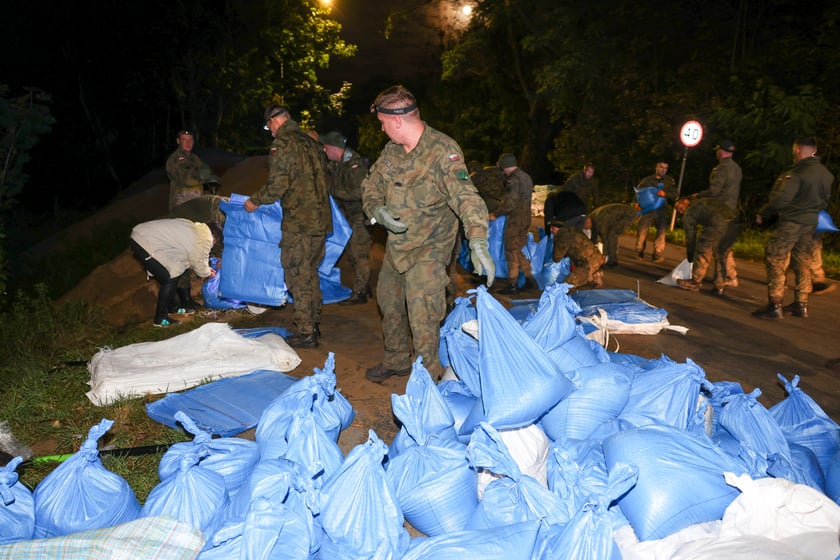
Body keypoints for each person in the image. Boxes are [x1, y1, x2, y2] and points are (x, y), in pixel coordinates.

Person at [361, 85, 494, 383]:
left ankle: (428, 377)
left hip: (429, 249)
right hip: (397, 248)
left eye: (382, 123)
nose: (382, 129)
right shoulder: (392, 151)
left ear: (396, 121)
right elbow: (371, 185)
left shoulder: (442, 151)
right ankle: (396, 360)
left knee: (422, 314)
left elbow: (466, 196)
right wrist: (377, 210)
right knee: (389, 302)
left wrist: (477, 238)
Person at [245, 105, 332, 347]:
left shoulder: (283, 144)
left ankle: (305, 333)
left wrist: (255, 201)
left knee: (297, 274)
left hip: (299, 222)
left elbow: (277, 185)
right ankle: (313, 323)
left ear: (275, 121)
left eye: (268, 126)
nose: (269, 131)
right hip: (320, 220)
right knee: (311, 272)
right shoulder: (311, 142)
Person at [752, 136, 834, 319]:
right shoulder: (827, 175)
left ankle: (774, 305)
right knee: (803, 261)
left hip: (792, 222)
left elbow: (781, 199)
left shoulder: (796, 173)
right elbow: (825, 201)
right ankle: (801, 304)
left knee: (776, 257)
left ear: (797, 150)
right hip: (811, 224)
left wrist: (764, 213)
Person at [129, 219, 222, 327]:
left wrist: (205, 269)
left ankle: (173, 307)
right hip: (145, 241)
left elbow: (187, 259)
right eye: (215, 243)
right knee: (169, 279)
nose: (213, 245)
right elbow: (199, 262)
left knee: (175, 270)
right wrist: (208, 273)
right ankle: (160, 318)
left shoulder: (195, 229)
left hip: (142, 236)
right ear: (215, 237)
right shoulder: (205, 238)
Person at [320, 131, 372, 305]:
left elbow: (360, 193)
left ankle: (360, 293)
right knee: (351, 253)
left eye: (326, 147)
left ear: (334, 148)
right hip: (347, 217)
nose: (324, 151)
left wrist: (335, 193)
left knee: (359, 254)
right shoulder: (337, 164)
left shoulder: (355, 166)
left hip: (359, 216)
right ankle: (364, 287)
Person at [692, 139, 742, 288]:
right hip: (731, 212)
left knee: (705, 244)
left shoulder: (720, 169)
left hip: (718, 212)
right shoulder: (737, 168)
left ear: (721, 151)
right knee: (723, 246)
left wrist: (699, 195)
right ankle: (729, 276)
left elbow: (714, 192)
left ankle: (696, 280)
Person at [491, 152, 535, 294]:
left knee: (510, 250)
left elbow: (511, 204)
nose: (502, 171)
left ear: (506, 166)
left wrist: (495, 214)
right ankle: (529, 279)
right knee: (517, 249)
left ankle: (512, 284)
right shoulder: (526, 177)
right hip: (526, 218)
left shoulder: (513, 180)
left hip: (516, 219)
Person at [674, 197, 737, 294]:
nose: (680, 211)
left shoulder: (690, 211)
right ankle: (725, 281)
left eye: (679, 207)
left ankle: (695, 282)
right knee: (723, 252)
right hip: (735, 223)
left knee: (703, 249)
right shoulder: (703, 200)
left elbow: (690, 235)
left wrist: (690, 253)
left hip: (718, 224)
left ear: (686, 202)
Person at [166, 130, 220, 211]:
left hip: (195, 202)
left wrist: (209, 177)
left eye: (190, 140)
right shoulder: (175, 158)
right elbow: (185, 178)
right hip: (181, 203)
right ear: (178, 141)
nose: (188, 143)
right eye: (184, 140)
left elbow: (206, 171)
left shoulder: (195, 158)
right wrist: (201, 175)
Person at [635, 161, 677, 262]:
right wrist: (637, 203)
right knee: (642, 229)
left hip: (661, 209)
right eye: (661, 167)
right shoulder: (647, 180)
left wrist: (665, 194)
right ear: (656, 168)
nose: (663, 170)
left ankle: (657, 253)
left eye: (665, 168)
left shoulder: (669, 181)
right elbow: (638, 192)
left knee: (661, 231)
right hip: (648, 209)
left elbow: (675, 195)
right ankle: (640, 250)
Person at [548, 215, 605, 289]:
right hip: (596, 257)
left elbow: (557, 258)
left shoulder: (562, 236)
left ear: (557, 228)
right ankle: (596, 274)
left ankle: (593, 278)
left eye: (552, 228)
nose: (551, 230)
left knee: (566, 286)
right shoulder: (573, 230)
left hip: (587, 264)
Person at [589, 203, 637, 267]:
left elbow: (605, 238)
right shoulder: (592, 218)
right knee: (610, 235)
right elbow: (593, 239)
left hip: (627, 215)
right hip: (616, 216)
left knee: (611, 235)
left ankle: (612, 260)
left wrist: (604, 255)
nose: (587, 228)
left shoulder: (598, 222)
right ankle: (610, 258)